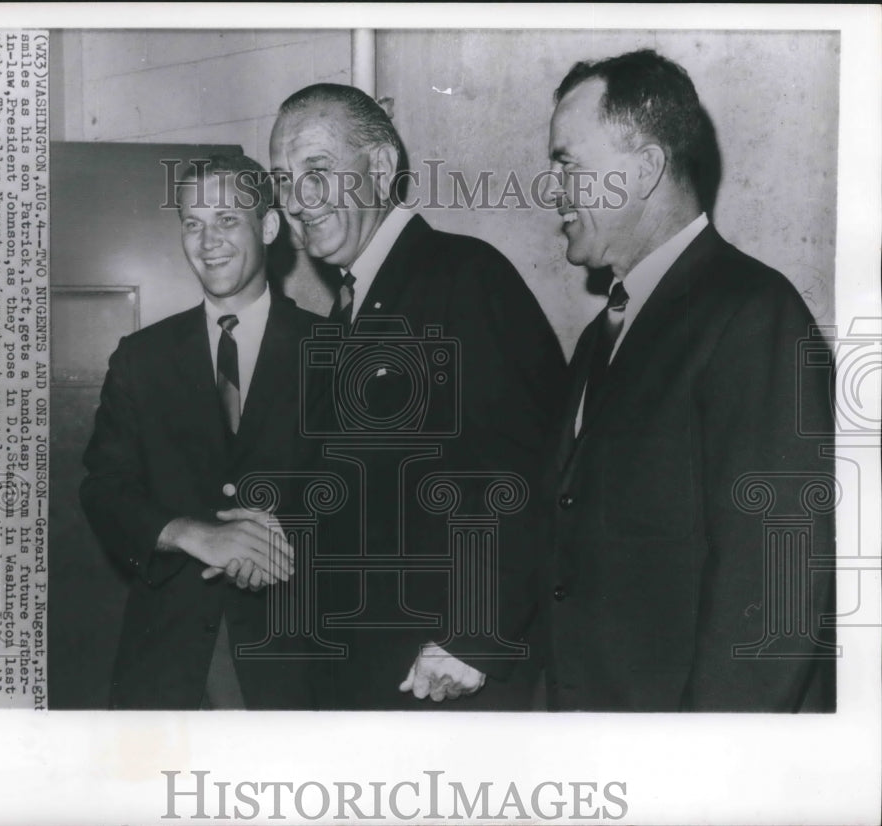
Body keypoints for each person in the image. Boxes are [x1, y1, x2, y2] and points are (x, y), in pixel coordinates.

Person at [539, 50, 835, 711]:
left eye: (568, 165)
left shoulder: (754, 312)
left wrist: (705, 769)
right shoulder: (599, 339)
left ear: (644, 170)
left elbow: (775, 592)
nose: (553, 192)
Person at [270, 83, 567, 709]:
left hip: (439, 676)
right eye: (283, 179)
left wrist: (476, 640)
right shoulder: (346, 311)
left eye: (318, 171)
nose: (298, 200)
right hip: (366, 663)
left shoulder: (463, 277)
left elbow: (527, 471)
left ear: (380, 167)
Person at [80, 153, 321, 710]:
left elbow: (365, 494)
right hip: (166, 662)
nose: (208, 240)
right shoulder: (140, 359)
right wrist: (190, 532)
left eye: (227, 220)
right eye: (193, 223)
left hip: (295, 654)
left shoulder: (332, 350)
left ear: (268, 226)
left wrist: (277, 546)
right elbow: (104, 487)